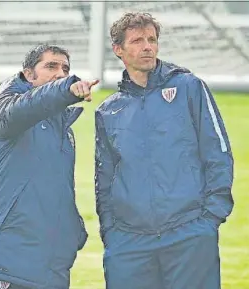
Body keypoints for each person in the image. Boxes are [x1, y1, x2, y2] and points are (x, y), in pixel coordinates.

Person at [95, 12, 234, 289]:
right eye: (137, 40)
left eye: (152, 39)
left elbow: (217, 151)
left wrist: (209, 219)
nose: (147, 46)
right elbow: (104, 178)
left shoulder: (189, 87)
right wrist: (111, 230)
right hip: (129, 241)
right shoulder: (109, 110)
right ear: (118, 50)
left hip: (189, 232)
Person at [0, 44, 99, 289]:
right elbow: (29, 105)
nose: (60, 73)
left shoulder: (62, 130)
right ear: (28, 74)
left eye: (65, 69)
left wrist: (71, 231)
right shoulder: (8, 112)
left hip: (51, 267)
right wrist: (66, 89)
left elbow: (54, 189)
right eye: (51, 66)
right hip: (10, 263)